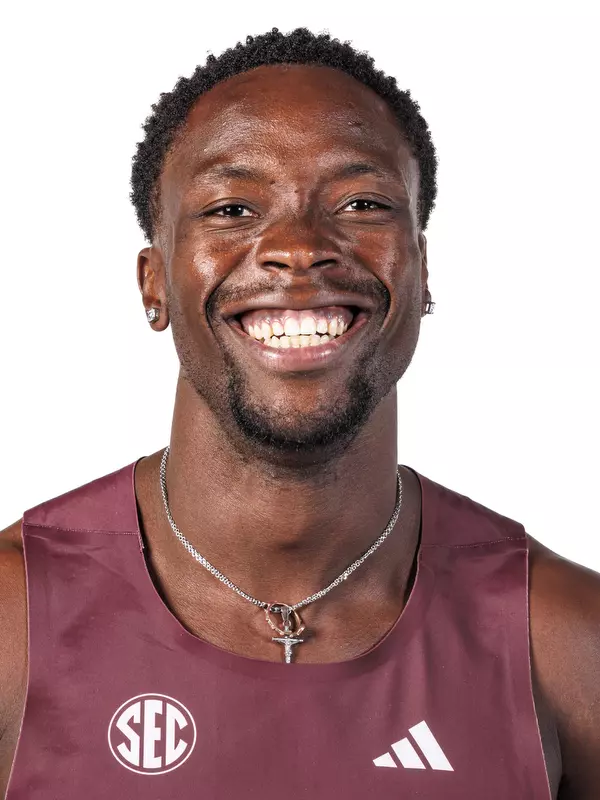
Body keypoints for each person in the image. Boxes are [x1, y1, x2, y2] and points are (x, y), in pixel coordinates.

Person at [0, 26, 598, 800]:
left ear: (422, 273)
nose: (296, 247)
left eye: (362, 202)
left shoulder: (563, 642)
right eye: (233, 208)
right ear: (153, 283)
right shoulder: (15, 625)